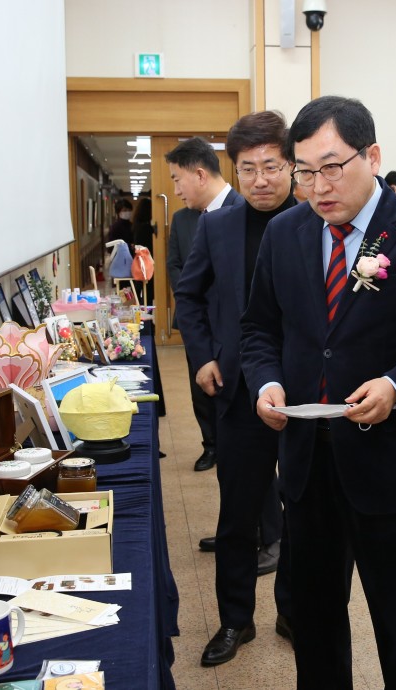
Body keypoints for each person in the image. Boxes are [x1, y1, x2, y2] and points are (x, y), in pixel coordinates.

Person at [240, 95, 396, 688]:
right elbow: (259, 330)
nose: (317, 186)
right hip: (307, 461)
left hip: (391, 463)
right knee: (315, 619)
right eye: (304, 171)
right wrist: (267, 381)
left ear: (372, 156)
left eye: (332, 167)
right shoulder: (287, 234)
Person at [175, 110, 296, 667]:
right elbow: (191, 295)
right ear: (235, 172)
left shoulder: (316, 221)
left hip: (304, 394)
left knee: (305, 508)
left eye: (271, 166)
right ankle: (235, 620)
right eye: (248, 169)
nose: (260, 180)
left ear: (292, 165)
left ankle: (294, 609)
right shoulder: (217, 227)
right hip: (237, 390)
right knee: (238, 512)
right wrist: (201, 358)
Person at [164, 137, 240, 481]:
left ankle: (261, 531)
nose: (177, 190)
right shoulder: (190, 219)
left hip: (236, 339)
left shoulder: (243, 212)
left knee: (247, 449)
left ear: (198, 174)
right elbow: (180, 269)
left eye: (177, 179)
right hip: (201, 328)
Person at [131, 197, 155, 304]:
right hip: (146, 262)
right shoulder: (146, 228)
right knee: (147, 293)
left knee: (142, 291)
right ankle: (147, 318)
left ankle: (143, 315)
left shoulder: (137, 226)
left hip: (140, 262)